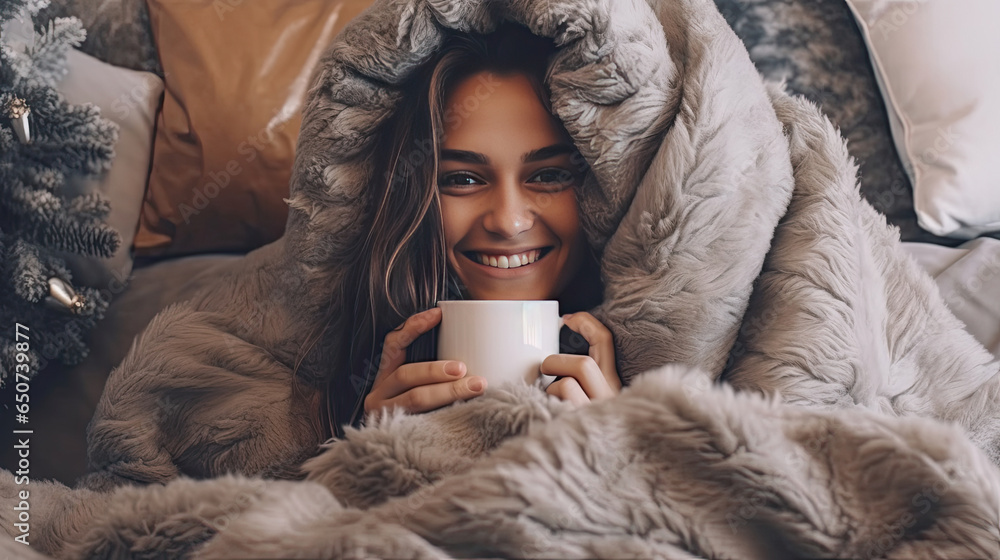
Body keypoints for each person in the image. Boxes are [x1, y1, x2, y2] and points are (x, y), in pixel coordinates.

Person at [311, 23, 623, 440]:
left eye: (549, 175)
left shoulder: (696, 385)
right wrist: (372, 452)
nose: (509, 222)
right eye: (463, 180)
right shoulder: (305, 378)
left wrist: (621, 446)